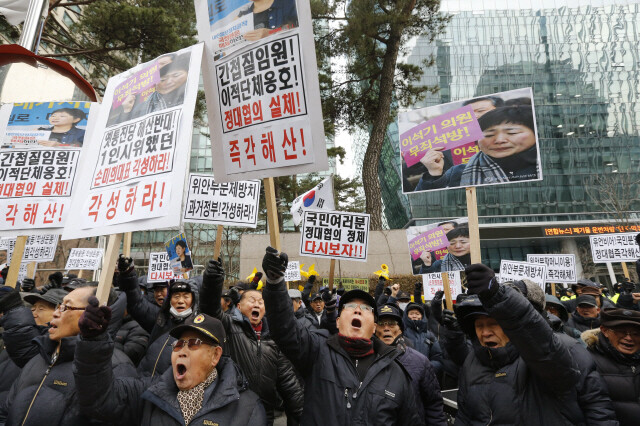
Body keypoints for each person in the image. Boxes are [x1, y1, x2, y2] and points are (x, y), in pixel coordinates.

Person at [261, 247, 423, 425]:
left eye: (366, 308)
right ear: (338, 322)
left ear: (374, 326)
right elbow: (285, 329)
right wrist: (275, 282)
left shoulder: (396, 372)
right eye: (350, 306)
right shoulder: (317, 352)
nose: (358, 310)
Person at [73, 307, 267, 425]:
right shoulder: (148, 393)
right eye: (179, 344)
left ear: (215, 356)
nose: (182, 351)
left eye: (193, 344)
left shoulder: (247, 408)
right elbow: (99, 400)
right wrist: (93, 342)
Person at [451, 263, 584, 424]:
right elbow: (465, 417)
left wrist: (498, 297)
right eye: (479, 325)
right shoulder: (471, 362)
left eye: (494, 323)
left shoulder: (548, 354)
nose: (485, 332)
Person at [0, 286, 136, 425]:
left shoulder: (117, 367)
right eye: (59, 305)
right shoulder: (40, 357)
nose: (56, 313)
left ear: (96, 316)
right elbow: (6, 412)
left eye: (66, 307)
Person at [199, 257, 304, 425]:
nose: (257, 304)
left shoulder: (274, 340)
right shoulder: (228, 326)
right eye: (252, 300)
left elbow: (290, 385)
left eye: (261, 302)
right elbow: (209, 309)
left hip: (264, 416)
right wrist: (212, 280)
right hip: (229, 412)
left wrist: (301, 415)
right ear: (239, 307)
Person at [415, 105, 539, 190]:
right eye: (489, 134)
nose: (499, 140)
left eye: (512, 133)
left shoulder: (552, 163)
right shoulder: (457, 173)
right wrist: (434, 174)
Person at [117, 255, 200, 377]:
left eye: (186, 296)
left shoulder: (200, 325)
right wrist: (127, 274)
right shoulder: (160, 319)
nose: (181, 301)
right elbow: (136, 303)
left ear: (193, 300)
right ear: (170, 299)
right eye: (176, 296)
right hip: (145, 383)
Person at [375, 303, 447, 425]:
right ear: (374, 328)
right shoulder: (364, 360)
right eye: (381, 324)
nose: (386, 328)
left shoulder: (420, 361)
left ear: (400, 329)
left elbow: (434, 406)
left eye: (392, 323)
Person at [582, 308, 640, 425]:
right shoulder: (588, 362)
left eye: (636, 333)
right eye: (621, 332)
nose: (629, 338)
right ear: (605, 331)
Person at [401, 301, 443, 376]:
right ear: (406, 316)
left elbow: (438, 358)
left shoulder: (429, 335)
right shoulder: (401, 333)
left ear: (422, 316)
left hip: (426, 376)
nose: (414, 316)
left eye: (417, 314)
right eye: (411, 313)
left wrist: (426, 368)